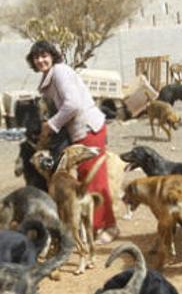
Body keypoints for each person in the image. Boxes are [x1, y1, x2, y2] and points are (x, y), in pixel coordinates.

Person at [26, 40, 119, 244]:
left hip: (88, 128)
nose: (41, 60)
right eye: (36, 57)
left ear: (52, 55)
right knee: (86, 178)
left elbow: (73, 104)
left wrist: (51, 125)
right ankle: (95, 225)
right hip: (79, 132)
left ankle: (108, 226)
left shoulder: (60, 72)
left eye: (44, 55)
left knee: (95, 179)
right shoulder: (49, 77)